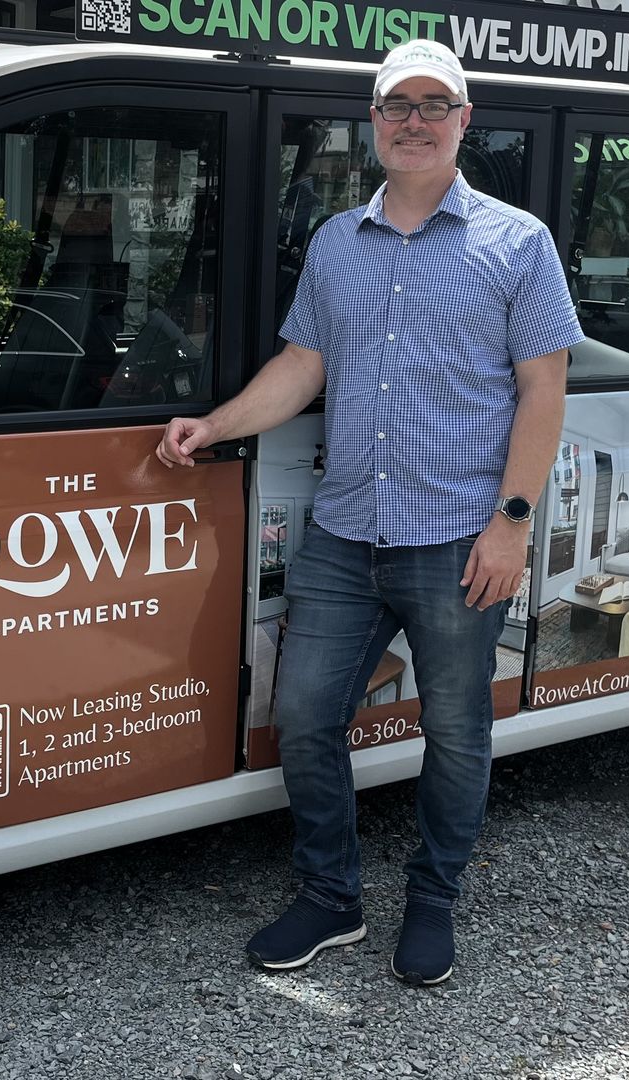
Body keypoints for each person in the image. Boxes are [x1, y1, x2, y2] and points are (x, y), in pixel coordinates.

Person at [155, 38, 580, 986]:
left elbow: (544, 390)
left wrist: (511, 521)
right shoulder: (338, 243)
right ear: (374, 122)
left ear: (465, 121)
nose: (416, 120)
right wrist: (215, 426)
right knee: (304, 716)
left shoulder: (517, 243)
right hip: (347, 533)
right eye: (398, 105)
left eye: (436, 104)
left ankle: (433, 901)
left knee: (459, 731)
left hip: (460, 540)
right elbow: (304, 366)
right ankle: (329, 896)